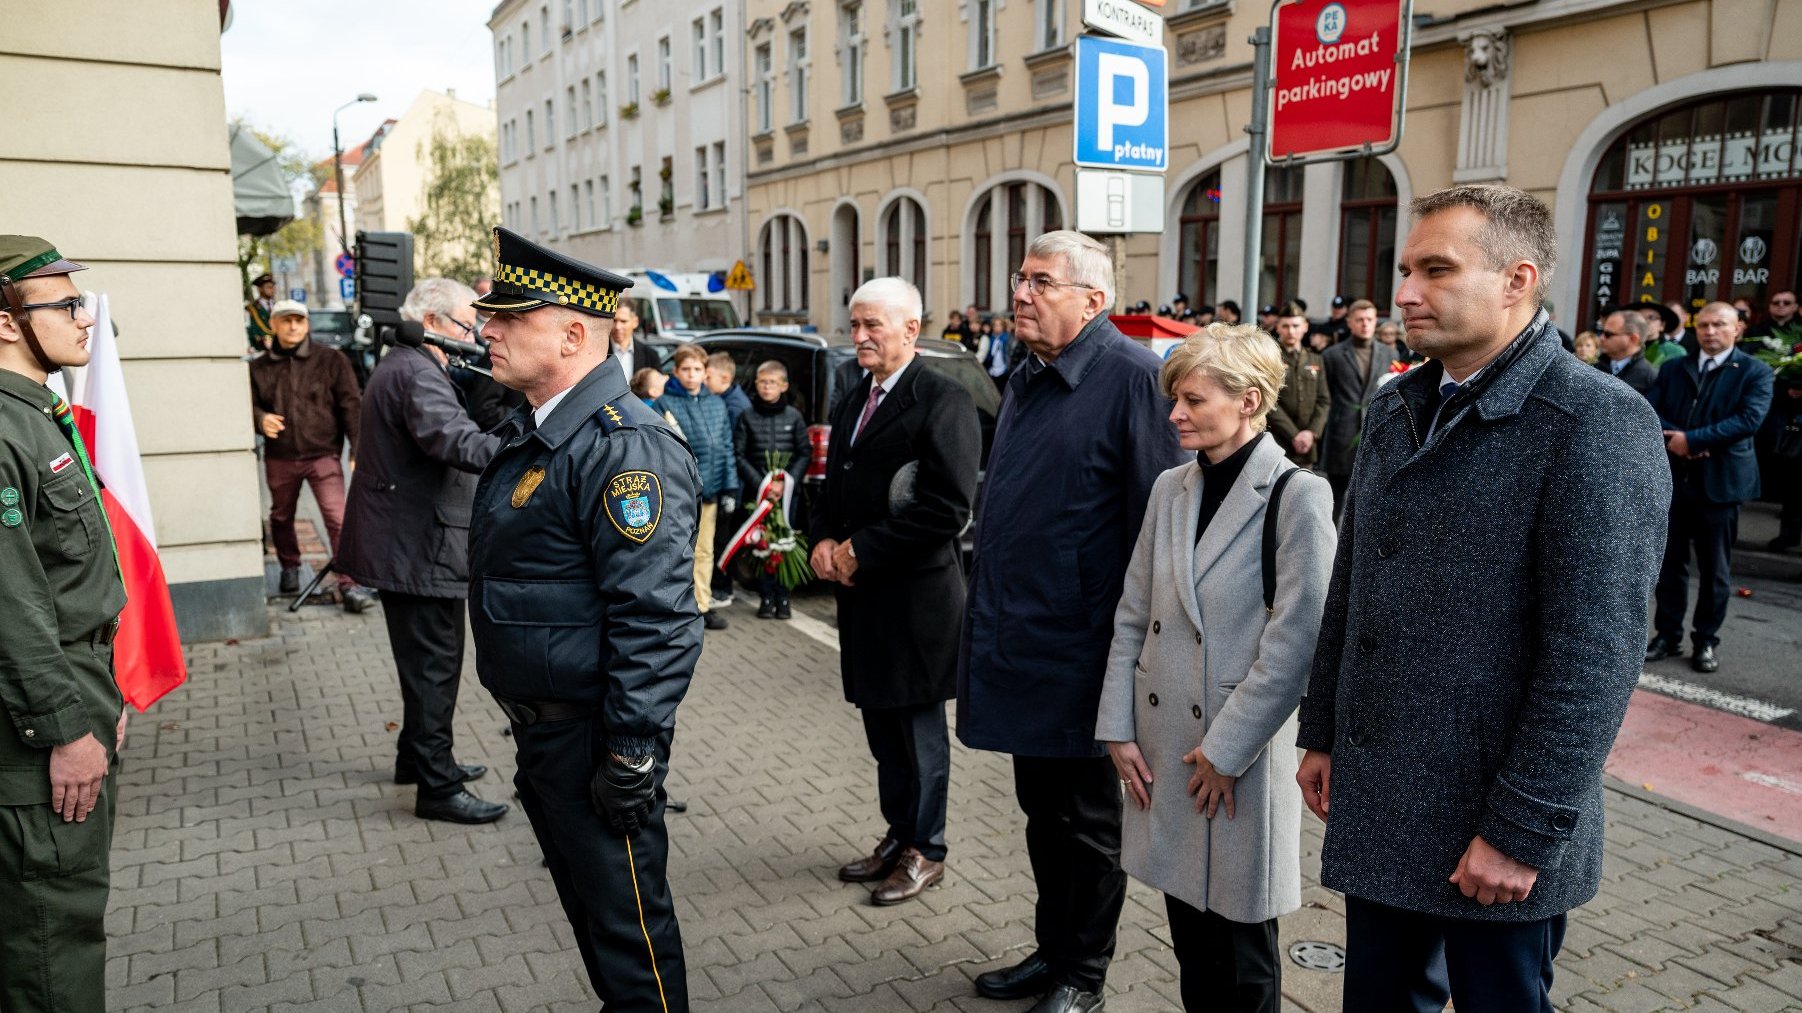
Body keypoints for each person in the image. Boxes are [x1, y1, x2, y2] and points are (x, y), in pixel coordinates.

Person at [1295, 185, 1670, 1013]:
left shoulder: (1594, 421)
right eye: (1404, 270)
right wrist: (1321, 729)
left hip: (1495, 827)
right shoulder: (1399, 402)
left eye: (1436, 269)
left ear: (1516, 279)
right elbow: (1352, 588)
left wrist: (1520, 830)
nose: (1404, 293)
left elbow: (1597, 654)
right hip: (1386, 800)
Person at [468, 226, 700, 1011]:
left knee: (631, 939)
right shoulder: (545, 430)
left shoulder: (623, 446)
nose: (485, 328)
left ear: (573, 334)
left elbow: (658, 616)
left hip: (595, 737)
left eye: (509, 318)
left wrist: (632, 748)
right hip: (548, 731)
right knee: (599, 927)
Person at [960, 230, 1186, 1013]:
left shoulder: (1131, 378)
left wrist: (1134, 663)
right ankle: (1051, 950)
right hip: (1024, 639)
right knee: (1041, 814)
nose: (1019, 293)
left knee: (1088, 824)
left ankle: (1082, 974)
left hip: (1089, 653)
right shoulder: (1030, 371)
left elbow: (1157, 528)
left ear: (1094, 299)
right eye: (1020, 278)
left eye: (1040, 282)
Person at [1098, 324, 1335, 1013]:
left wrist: (1227, 750)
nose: (1174, 414)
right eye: (1175, 398)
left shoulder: (1298, 496)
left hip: (1237, 753)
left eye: (1192, 399)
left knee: (1242, 952)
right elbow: (1132, 613)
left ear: (1249, 400)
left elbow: (1298, 639)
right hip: (1167, 748)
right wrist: (1116, 726)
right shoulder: (1172, 486)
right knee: (1191, 938)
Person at [810, 278, 980, 906]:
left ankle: (926, 849)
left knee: (918, 735)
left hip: (916, 602)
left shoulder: (944, 400)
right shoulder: (854, 397)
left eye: (871, 326)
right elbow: (831, 483)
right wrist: (825, 539)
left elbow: (947, 507)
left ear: (910, 329)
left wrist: (862, 549)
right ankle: (898, 833)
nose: (858, 338)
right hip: (863, 598)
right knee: (882, 729)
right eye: (853, 325)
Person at [0, 236, 130, 1012]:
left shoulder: (38, 413)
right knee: (53, 945)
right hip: (33, 736)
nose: (86, 317)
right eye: (66, 303)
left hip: (79, 689)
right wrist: (65, 728)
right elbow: (12, 606)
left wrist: (99, 702)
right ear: (6, 322)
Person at [336, 278, 509, 825]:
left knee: (424, 665)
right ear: (434, 322)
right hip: (417, 549)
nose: (475, 335)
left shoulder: (407, 364)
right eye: (466, 324)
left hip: (410, 545)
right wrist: (522, 448)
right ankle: (437, 787)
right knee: (434, 668)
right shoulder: (415, 371)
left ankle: (418, 759)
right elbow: (455, 441)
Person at [1645, 302, 1774, 674]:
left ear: (1738, 330)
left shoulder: (1755, 371)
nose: (1710, 331)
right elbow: (1651, 410)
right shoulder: (1674, 367)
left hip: (1721, 484)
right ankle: (1667, 634)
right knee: (1670, 566)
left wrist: (1694, 440)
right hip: (1675, 480)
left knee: (1715, 570)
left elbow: (1749, 420)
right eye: (1704, 325)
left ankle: (1705, 641)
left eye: (1720, 324)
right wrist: (1676, 439)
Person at [247, 299, 376, 612]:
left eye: (299, 320)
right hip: (280, 456)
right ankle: (289, 566)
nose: (293, 326)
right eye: (286, 320)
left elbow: (351, 405)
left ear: (307, 325)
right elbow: (245, 403)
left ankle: (349, 583)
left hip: (323, 454)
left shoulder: (330, 360)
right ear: (274, 324)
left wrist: (356, 450)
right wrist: (260, 418)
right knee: (281, 515)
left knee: (337, 519)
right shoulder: (258, 367)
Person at [658, 343, 735, 630]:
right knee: (676, 551)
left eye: (697, 370)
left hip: (711, 491)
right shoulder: (666, 403)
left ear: (706, 372)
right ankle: (675, 606)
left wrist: (730, 487)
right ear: (676, 372)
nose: (692, 375)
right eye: (686, 369)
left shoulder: (716, 403)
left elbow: (726, 447)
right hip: (679, 494)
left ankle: (701, 605)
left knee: (704, 551)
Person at [734, 360, 808, 618]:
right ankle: (765, 597)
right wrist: (762, 484)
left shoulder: (794, 417)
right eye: (762, 382)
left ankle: (784, 598)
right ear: (756, 384)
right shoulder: (747, 416)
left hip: (787, 496)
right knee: (762, 546)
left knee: (784, 545)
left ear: (783, 386)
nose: (767, 388)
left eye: (772, 383)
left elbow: (804, 452)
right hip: (758, 496)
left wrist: (786, 482)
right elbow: (739, 454)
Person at [1320, 299, 1395, 515]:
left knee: (1368, 498)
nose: (1365, 324)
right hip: (1341, 434)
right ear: (1350, 323)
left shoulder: (1389, 354)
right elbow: (1328, 394)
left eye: (1369, 319)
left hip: (1374, 433)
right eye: (1360, 320)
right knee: (1335, 496)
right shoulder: (1332, 355)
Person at [705, 351, 751, 606]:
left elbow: (729, 449)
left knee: (723, 538)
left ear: (724, 377)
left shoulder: (733, 406)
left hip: (730, 484)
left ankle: (722, 588)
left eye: (707, 376)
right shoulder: (728, 399)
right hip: (727, 481)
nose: (703, 381)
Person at [1265, 303, 1330, 470]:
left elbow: (1323, 400)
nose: (1291, 331)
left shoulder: (1315, 359)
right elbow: (1269, 400)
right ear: (1278, 327)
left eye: (1296, 325)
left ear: (1305, 327)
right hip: (1278, 439)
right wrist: (1294, 435)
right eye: (1285, 326)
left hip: (1307, 444)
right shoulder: (1270, 358)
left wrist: (1311, 433)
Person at [1595, 308, 1658, 397]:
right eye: (1602, 332)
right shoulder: (1595, 367)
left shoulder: (1649, 378)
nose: (1601, 338)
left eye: (1608, 334)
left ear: (1633, 339)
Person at [611, 301, 662, 387]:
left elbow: (657, 388)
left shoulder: (650, 356)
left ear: (635, 322)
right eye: (614, 320)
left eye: (623, 321)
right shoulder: (598, 353)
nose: (617, 327)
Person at [245, 271, 276, 351]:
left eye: (272, 287)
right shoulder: (251, 309)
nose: (271, 290)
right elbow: (250, 329)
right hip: (259, 349)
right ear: (260, 289)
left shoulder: (278, 307)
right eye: (268, 287)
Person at [984, 313, 1014, 389]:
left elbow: (1008, 353)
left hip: (1003, 369)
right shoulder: (991, 338)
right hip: (993, 369)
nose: (997, 327)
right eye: (995, 325)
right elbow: (990, 354)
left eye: (999, 325)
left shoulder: (1006, 338)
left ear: (1003, 327)